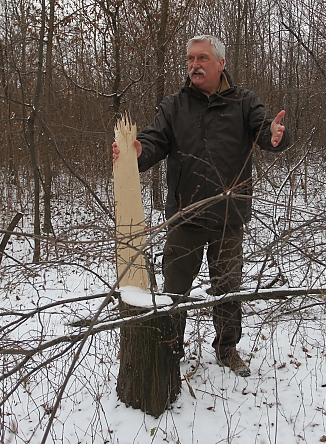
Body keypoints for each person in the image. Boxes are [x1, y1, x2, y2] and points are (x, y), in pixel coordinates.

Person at [113, 34, 290, 377]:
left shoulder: (243, 102)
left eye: (202, 58)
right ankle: (170, 347)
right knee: (174, 291)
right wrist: (136, 152)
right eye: (191, 58)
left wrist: (274, 134)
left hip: (229, 217)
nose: (194, 65)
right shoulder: (174, 106)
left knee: (227, 288)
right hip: (186, 217)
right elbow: (153, 140)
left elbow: (266, 131)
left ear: (221, 63)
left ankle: (226, 348)